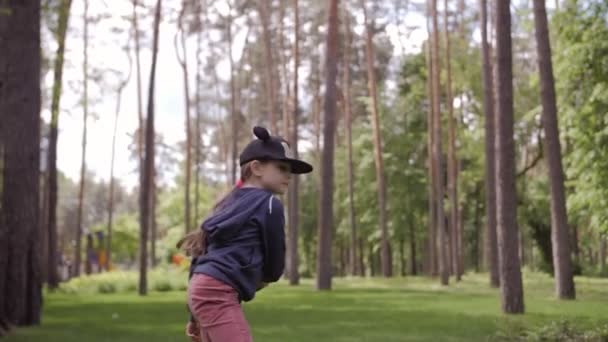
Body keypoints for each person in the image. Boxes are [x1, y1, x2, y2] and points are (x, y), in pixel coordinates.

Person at [178, 126, 313, 342]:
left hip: (202, 288)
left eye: (290, 170)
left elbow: (201, 258)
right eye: (281, 167)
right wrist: (269, 276)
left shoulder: (228, 204)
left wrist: (193, 314)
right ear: (257, 167)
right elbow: (275, 254)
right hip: (217, 293)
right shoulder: (270, 204)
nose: (288, 175)